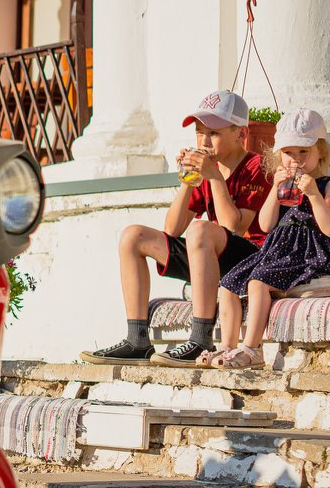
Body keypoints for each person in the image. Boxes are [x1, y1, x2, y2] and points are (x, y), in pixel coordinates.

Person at [80, 90, 271, 366]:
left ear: (240, 134)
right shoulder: (207, 170)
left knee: (201, 230)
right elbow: (171, 229)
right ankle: (137, 340)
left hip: (250, 260)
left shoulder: (257, 166)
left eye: (214, 133)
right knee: (133, 236)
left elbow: (234, 227)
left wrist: (214, 176)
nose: (204, 141)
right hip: (210, 259)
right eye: (199, 132)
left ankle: (201, 338)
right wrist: (187, 179)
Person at [207, 110, 330, 369]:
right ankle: (227, 347)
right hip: (276, 252)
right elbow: (265, 224)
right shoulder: (282, 185)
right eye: (288, 153)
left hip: (309, 252)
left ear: (321, 153)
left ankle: (251, 350)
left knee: (257, 283)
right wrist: (274, 190)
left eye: (303, 152)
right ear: (279, 156)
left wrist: (314, 195)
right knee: (227, 284)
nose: (295, 160)